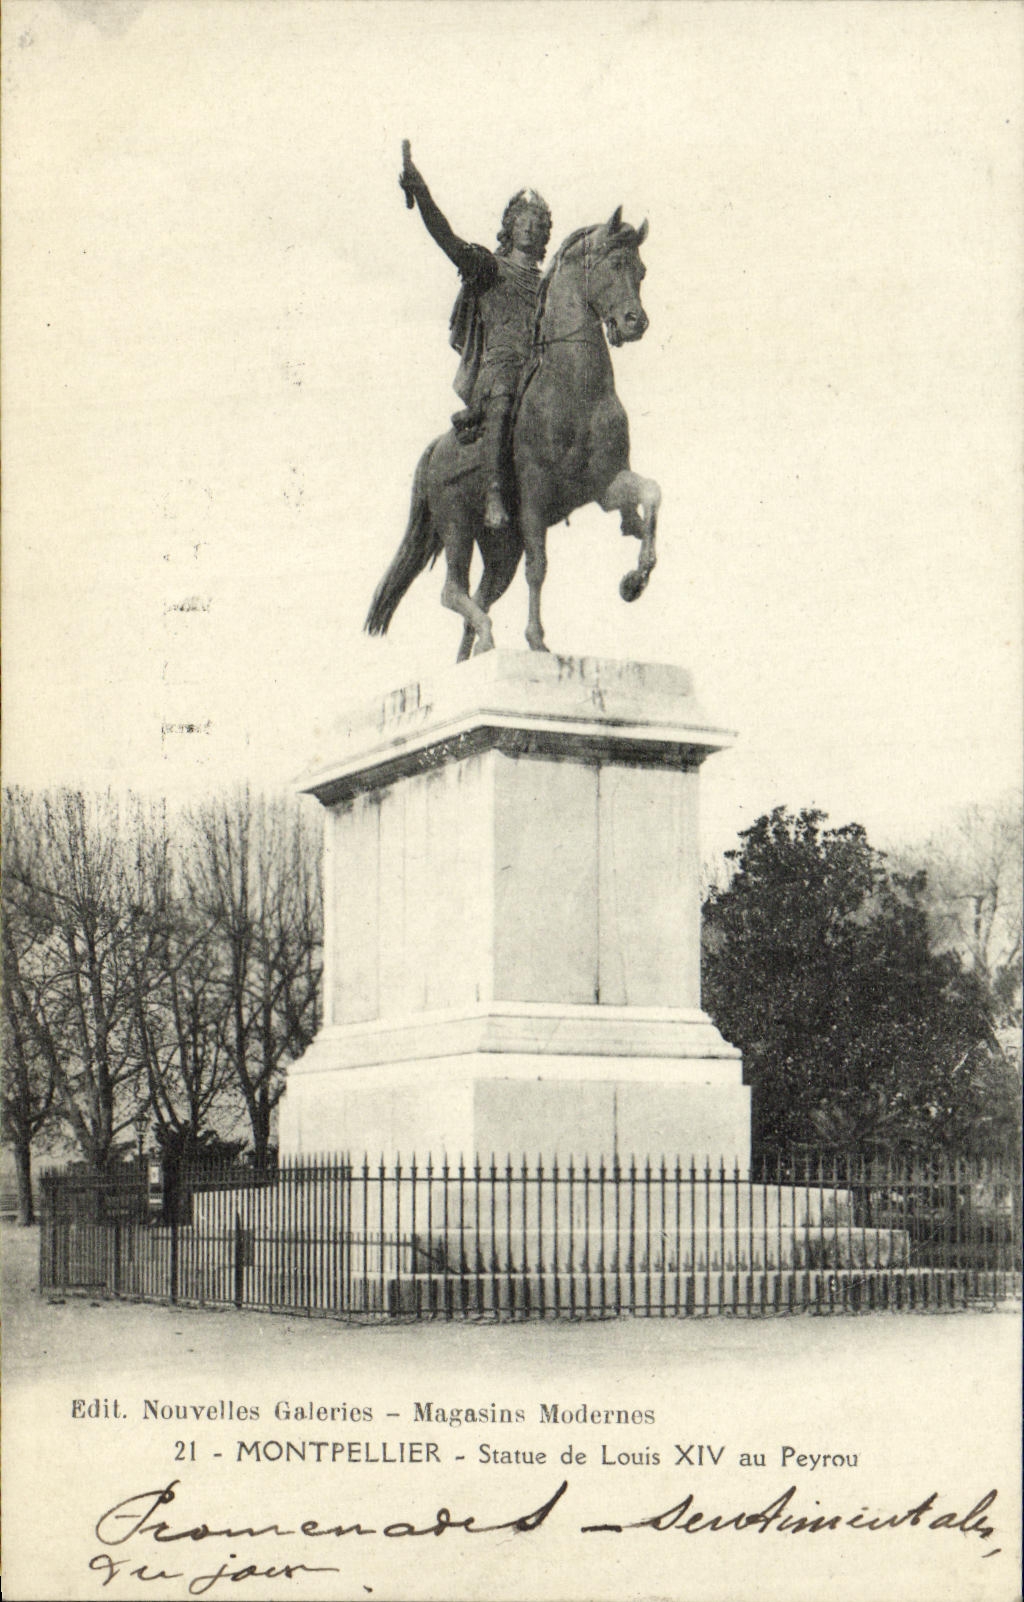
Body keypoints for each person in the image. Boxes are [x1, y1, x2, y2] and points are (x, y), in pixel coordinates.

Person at [399, 149, 552, 530]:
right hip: (499, 369)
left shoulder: (549, 284)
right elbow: (448, 239)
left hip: (537, 370)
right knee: (503, 395)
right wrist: (422, 194)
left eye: (537, 223)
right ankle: (494, 492)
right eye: (523, 222)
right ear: (510, 227)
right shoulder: (490, 267)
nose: (530, 229)